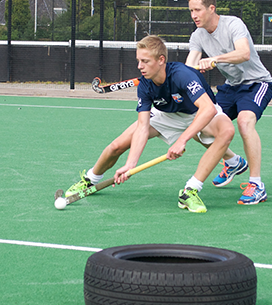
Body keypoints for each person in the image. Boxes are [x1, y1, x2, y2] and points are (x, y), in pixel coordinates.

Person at [65, 35, 235, 213]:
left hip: (197, 111)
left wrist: (182, 140)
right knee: (117, 145)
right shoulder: (145, 85)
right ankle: (90, 179)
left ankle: (190, 191)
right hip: (167, 113)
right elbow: (142, 127)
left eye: (145, 61)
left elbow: (207, 109)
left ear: (161, 60)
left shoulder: (181, 74)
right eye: (138, 61)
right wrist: (131, 164)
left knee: (227, 131)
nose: (139, 66)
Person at [184, 0, 272, 205]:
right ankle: (233, 161)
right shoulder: (197, 35)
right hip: (231, 87)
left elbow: (243, 53)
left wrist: (214, 60)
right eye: (191, 11)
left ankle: (256, 185)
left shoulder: (233, 24)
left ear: (211, 8)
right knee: (198, 125)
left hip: (257, 84)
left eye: (197, 10)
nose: (194, 15)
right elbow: (189, 67)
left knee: (245, 122)